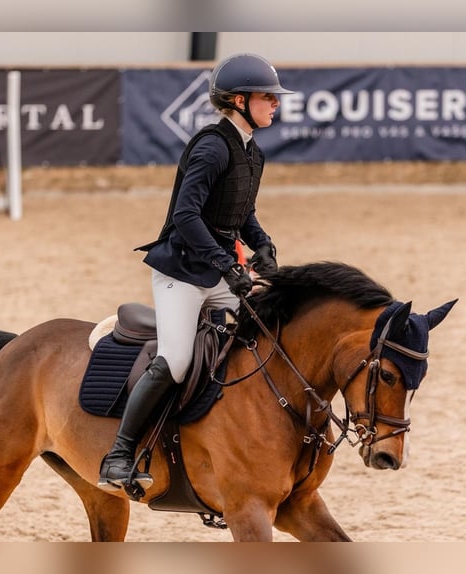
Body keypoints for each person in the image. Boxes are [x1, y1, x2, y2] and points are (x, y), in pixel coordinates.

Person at [98, 53, 293, 493]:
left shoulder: (252, 152)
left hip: (218, 271)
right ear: (239, 101)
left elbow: (243, 214)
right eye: (268, 98)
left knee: (269, 323)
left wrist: (262, 244)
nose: (275, 105)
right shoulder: (210, 147)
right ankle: (119, 455)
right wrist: (228, 264)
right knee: (177, 360)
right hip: (181, 272)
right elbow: (186, 215)